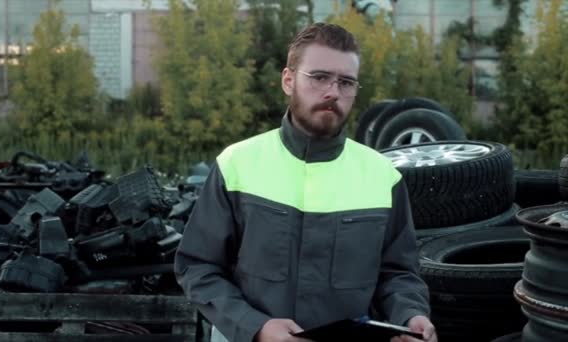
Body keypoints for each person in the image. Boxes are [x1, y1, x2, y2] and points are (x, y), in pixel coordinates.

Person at [174, 22, 437, 342]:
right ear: (288, 80)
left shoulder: (383, 177)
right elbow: (198, 268)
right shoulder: (237, 165)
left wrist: (410, 315)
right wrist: (255, 326)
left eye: (346, 82)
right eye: (320, 77)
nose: (333, 92)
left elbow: (398, 275)